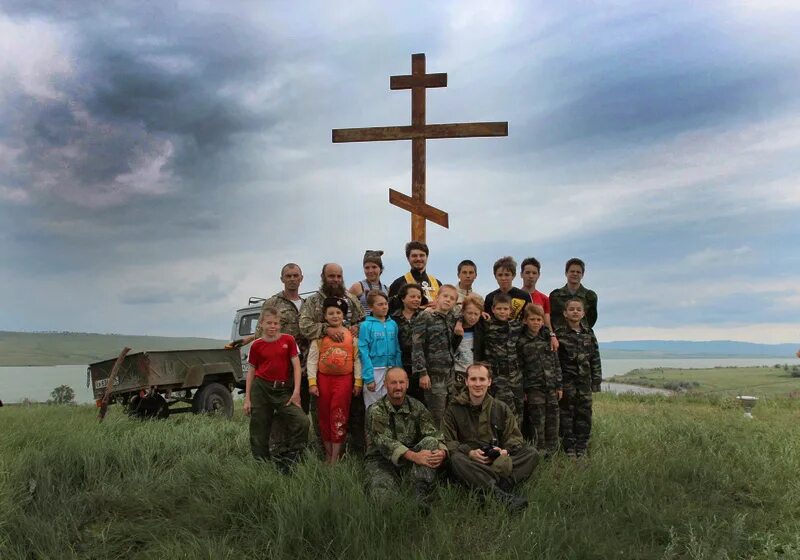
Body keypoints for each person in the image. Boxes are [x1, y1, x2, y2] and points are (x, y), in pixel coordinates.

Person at [442, 363, 537, 512]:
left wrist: (504, 451)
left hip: (495, 460)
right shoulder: (453, 409)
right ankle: (501, 496)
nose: (478, 384)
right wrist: (469, 452)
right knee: (456, 460)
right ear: (466, 381)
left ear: (489, 381)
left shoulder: (500, 407)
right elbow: (447, 441)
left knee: (531, 454)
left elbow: (515, 437)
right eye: (473, 379)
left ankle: (487, 487)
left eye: (482, 379)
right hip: (471, 462)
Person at [300, 263, 367, 454]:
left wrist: (357, 328)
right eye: (331, 276)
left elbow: (364, 321)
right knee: (321, 412)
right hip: (321, 369)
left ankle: (349, 452)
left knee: (349, 412)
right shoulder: (313, 301)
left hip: (349, 370)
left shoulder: (351, 299)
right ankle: (325, 453)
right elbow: (304, 326)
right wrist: (326, 329)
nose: (335, 280)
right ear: (323, 276)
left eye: (339, 276)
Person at [365, 367, 448, 509]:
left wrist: (443, 452)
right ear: (385, 384)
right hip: (381, 462)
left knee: (432, 442)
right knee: (385, 502)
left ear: (407, 384)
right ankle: (396, 500)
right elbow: (385, 442)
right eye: (393, 383)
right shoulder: (376, 410)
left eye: (401, 382)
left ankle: (419, 491)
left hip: (410, 460)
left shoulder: (417, 406)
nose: (398, 387)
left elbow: (432, 433)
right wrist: (415, 456)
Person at [244, 307, 309, 472]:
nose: (272, 326)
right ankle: (262, 463)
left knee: (301, 420)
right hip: (261, 388)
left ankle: (293, 456)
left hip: (282, 390)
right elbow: (251, 371)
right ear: (261, 324)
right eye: (269, 323)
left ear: (280, 324)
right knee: (259, 426)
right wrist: (247, 398)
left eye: (276, 323)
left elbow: (296, 366)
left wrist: (296, 393)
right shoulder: (256, 345)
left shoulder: (288, 340)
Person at [307, 297, 362, 465]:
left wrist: (357, 382)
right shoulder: (319, 337)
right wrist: (312, 382)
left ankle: (336, 457)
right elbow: (312, 360)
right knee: (324, 416)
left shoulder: (351, 336)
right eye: (331, 313)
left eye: (338, 313)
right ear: (325, 316)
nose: (335, 316)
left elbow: (357, 360)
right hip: (324, 381)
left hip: (344, 382)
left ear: (343, 315)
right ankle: (328, 454)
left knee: (339, 415)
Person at [556, 297, 602, 458]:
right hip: (567, 383)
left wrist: (596, 381)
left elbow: (595, 357)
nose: (575, 312)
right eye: (571, 309)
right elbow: (556, 362)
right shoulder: (559, 335)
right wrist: (558, 384)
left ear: (583, 313)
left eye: (578, 309)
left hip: (584, 382)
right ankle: (569, 448)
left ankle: (582, 447)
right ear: (565, 313)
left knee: (584, 415)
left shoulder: (589, 333)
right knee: (567, 415)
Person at [411, 284, 462, 427]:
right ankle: (436, 446)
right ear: (437, 297)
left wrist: (459, 323)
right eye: (445, 296)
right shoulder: (426, 316)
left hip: (449, 373)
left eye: (452, 298)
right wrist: (422, 373)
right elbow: (417, 345)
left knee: (451, 412)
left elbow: (466, 311)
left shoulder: (451, 317)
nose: (448, 300)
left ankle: (449, 444)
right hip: (433, 375)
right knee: (436, 414)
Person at [517, 304, 562, 455]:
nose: (536, 322)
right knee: (538, 421)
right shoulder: (522, 341)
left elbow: (556, 363)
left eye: (539, 319)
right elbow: (520, 367)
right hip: (533, 388)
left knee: (553, 420)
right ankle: (539, 452)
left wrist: (559, 385)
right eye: (532, 319)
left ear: (543, 321)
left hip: (551, 387)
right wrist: (523, 389)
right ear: (525, 321)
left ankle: (553, 451)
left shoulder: (547, 339)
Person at [359, 291, 402, 409]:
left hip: (392, 369)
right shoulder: (366, 325)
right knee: (374, 406)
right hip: (375, 370)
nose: (384, 307)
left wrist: (399, 370)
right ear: (371, 307)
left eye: (385, 304)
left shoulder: (392, 324)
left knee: (391, 405)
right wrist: (369, 377)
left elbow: (397, 348)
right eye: (380, 304)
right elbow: (363, 352)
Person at [392, 283, 424, 403]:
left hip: (420, 367)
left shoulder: (425, 316)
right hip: (400, 366)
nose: (416, 299)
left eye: (419, 297)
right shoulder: (393, 319)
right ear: (403, 298)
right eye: (412, 296)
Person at [388, 241, 441, 313]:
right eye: (414, 256)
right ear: (408, 258)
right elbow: (392, 310)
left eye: (422, 255)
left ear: (427, 257)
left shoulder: (437, 283)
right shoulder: (398, 284)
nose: (418, 259)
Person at [550, 258, 598, 331]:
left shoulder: (590, 296)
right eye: (572, 271)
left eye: (578, 272)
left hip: (583, 336)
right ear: (566, 273)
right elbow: (551, 317)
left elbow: (592, 319)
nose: (575, 274)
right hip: (560, 337)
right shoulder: (555, 295)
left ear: (582, 275)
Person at [452, 293, 486, 397]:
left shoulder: (482, 326)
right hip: (457, 373)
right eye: (469, 313)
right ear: (463, 312)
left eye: (476, 314)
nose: (472, 317)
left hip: (475, 374)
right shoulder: (453, 326)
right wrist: (457, 330)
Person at [520, 257, 557, 345]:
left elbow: (547, 322)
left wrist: (552, 336)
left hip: (540, 341)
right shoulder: (514, 296)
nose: (531, 276)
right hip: (520, 341)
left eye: (534, 273)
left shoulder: (544, 298)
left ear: (538, 275)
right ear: (521, 274)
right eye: (527, 273)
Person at [484, 256, 532, 321]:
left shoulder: (524, 296)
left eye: (507, 275)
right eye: (500, 275)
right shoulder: (490, 298)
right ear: (495, 276)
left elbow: (530, 318)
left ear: (513, 275)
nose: (503, 278)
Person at [349, 250, 388, 315]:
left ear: (380, 268)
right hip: (363, 324)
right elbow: (347, 308)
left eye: (374, 267)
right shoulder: (357, 287)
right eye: (367, 268)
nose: (370, 271)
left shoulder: (386, 289)